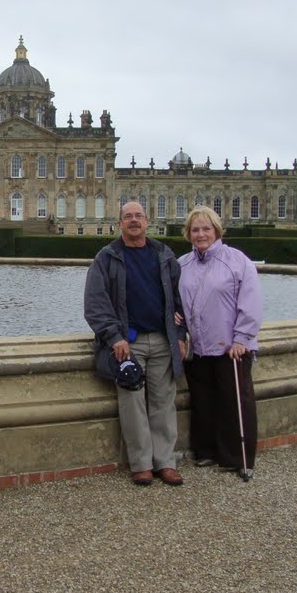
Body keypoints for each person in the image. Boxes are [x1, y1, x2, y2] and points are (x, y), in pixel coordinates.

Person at [84, 201, 187, 487]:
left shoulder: (164, 254)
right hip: (129, 343)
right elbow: (95, 303)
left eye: (138, 216)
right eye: (128, 217)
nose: (133, 221)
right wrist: (114, 336)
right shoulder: (107, 257)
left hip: (163, 339)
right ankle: (141, 464)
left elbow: (180, 301)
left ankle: (165, 462)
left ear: (147, 220)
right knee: (132, 403)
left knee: (164, 402)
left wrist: (180, 336)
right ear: (120, 223)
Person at [177, 205, 262, 477]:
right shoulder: (182, 264)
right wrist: (175, 316)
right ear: (188, 233)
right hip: (197, 347)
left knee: (234, 402)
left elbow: (250, 303)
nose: (201, 234)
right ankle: (206, 451)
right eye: (195, 229)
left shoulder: (237, 261)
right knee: (203, 402)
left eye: (206, 228)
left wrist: (243, 338)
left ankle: (237, 456)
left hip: (229, 347)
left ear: (216, 230)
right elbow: (175, 300)